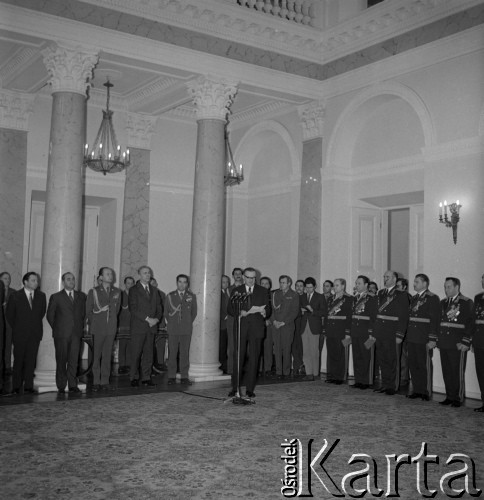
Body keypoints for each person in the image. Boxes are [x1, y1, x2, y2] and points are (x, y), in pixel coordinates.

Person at [227, 267, 271, 397]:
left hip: (256, 328)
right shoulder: (237, 291)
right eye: (249, 277)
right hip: (241, 326)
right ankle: (235, 388)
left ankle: (250, 389)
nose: (251, 280)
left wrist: (265, 312)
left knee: (254, 358)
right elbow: (229, 309)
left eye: (253, 278)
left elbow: (269, 309)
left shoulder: (262, 291)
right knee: (238, 357)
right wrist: (239, 312)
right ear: (243, 277)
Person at [6, 272, 46, 395]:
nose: (36, 283)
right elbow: (10, 315)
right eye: (33, 280)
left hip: (35, 333)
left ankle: (29, 386)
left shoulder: (41, 295)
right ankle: (17, 386)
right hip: (20, 334)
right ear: (25, 282)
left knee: (31, 360)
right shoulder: (15, 296)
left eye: (37, 280)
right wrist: (20, 327)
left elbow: (41, 313)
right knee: (18, 361)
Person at [46, 272, 87, 394]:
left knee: (74, 360)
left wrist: (79, 327)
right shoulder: (56, 296)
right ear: (63, 282)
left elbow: (83, 314)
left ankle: (73, 384)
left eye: (73, 279)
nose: (72, 281)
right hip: (61, 334)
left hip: (76, 334)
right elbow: (50, 315)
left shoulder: (81, 296)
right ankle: (61, 385)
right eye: (68, 279)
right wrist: (58, 328)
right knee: (61, 360)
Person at [437, 277, 473, 408]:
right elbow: (439, 323)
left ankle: (458, 397)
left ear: (457, 287)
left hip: (457, 342)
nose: (446, 290)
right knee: (446, 370)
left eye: (449, 287)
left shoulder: (465, 302)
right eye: (445, 287)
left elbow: (470, 323)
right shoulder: (443, 302)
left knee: (456, 371)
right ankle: (449, 396)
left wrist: (465, 341)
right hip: (444, 342)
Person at [372, 270, 409, 395]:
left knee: (392, 359)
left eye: (387, 277)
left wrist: (400, 334)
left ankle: (393, 386)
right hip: (380, 331)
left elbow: (403, 316)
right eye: (384, 277)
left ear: (394, 279)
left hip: (392, 331)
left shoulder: (400, 294)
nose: (385, 279)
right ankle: (385, 384)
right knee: (382, 359)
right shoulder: (381, 292)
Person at [405, 273, 440, 402]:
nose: (414, 284)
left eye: (417, 282)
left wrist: (432, 338)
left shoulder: (432, 298)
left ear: (425, 283)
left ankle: (426, 391)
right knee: (413, 364)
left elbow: (434, 320)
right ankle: (417, 390)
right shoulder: (413, 298)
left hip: (423, 337)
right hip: (412, 336)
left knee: (424, 364)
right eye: (414, 281)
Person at [86, 267, 121, 391]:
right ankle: (96, 381)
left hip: (111, 328)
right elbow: (89, 311)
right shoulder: (94, 291)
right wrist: (96, 323)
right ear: (101, 277)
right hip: (98, 328)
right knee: (96, 356)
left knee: (107, 356)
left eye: (111, 274)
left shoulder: (117, 291)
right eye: (107, 274)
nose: (110, 276)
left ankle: (105, 380)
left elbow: (116, 311)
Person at [129, 266, 162, 387]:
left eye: (149, 273)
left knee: (149, 354)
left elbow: (159, 308)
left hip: (151, 327)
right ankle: (134, 377)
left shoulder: (154, 290)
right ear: (139, 275)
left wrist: (157, 319)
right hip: (139, 326)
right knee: (136, 353)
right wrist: (148, 319)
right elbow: (133, 308)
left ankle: (146, 377)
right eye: (145, 273)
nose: (147, 275)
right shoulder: (134, 290)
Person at [164, 274, 197, 385]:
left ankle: (184, 376)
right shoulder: (170, 296)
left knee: (184, 353)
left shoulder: (191, 296)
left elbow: (193, 313)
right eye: (180, 282)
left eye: (184, 282)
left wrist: (186, 322)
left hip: (186, 329)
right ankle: (171, 376)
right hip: (173, 328)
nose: (182, 284)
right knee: (172, 353)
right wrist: (173, 323)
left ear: (187, 284)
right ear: (177, 283)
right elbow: (166, 313)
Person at [350, 275, 377, 390]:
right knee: (357, 356)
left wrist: (372, 332)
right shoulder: (355, 298)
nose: (356, 285)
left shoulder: (372, 298)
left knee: (366, 356)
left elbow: (373, 317)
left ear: (366, 285)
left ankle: (366, 381)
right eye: (356, 283)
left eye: (359, 283)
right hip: (356, 330)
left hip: (366, 331)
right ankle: (358, 379)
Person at [325, 278, 353, 385]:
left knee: (341, 354)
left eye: (337, 285)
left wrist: (347, 333)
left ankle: (340, 377)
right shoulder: (330, 298)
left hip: (341, 331)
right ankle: (332, 375)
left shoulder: (348, 299)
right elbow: (327, 315)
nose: (334, 287)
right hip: (330, 330)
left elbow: (349, 317)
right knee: (331, 353)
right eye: (334, 285)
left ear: (343, 286)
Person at [271, 275, 300, 379]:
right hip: (275, 326)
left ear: (289, 283)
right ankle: (279, 372)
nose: (281, 284)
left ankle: (286, 372)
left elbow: (294, 312)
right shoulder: (275, 294)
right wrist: (274, 321)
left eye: (284, 282)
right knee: (277, 349)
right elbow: (271, 310)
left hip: (287, 326)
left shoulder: (294, 295)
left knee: (287, 349)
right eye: (280, 282)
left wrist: (283, 322)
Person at [300, 277, 327, 381]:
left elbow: (324, 312)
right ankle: (308, 373)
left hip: (314, 326)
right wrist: (301, 311)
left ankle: (316, 373)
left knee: (314, 351)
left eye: (310, 287)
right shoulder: (302, 296)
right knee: (306, 351)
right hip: (304, 326)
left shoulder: (320, 297)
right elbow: (298, 310)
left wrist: (312, 310)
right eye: (306, 287)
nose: (308, 289)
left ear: (315, 286)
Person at [226, 267, 244, 375]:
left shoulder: (246, 288)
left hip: (244, 318)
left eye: (239, 273)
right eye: (235, 274)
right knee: (232, 346)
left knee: (242, 346)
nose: (238, 275)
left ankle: (240, 369)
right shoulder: (229, 289)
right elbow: (225, 305)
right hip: (232, 319)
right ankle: (231, 369)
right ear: (233, 276)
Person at [117, 276, 135, 375]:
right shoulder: (120, 295)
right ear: (125, 284)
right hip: (123, 323)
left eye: (132, 283)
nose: (130, 285)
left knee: (130, 345)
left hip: (132, 324)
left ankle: (128, 364)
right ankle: (121, 365)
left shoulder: (135, 295)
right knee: (122, 345)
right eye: (128, 283)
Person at [1, 271, 15, 376]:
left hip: (9, 323)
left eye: (9, 278)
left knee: (8, 345)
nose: (8, 280)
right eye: (5, 278)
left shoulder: (13, 292)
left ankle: (7, 366)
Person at [473, 273, 484, 412]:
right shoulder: (478, 297)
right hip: (479, 340)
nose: (482, 281)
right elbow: (473, 320)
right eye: (482, 279)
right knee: (481, 372)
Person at [260, 276, 274, 375]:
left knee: (268, 347)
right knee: (258, 347)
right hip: (258, 324)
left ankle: (268, 368)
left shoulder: (273, 295)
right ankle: (259, 368)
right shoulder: (255, 295)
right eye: (263, 283)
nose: (265, 285)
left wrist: (269, 319)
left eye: (266, 283)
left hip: (269, 324)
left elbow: (275, 310)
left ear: (269, 285)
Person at [292, 279, 306, 376]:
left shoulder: (306, 297)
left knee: (301, 345)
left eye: (301, 286)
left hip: (303, 323)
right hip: (293, 323)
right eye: (297, 285)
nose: (299, 288)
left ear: (304, 288)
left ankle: (301, 365)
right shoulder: (292, 296)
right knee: (293, 345)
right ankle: (297, 366)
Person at [219, 275, 231, 374]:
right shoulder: (218, 294)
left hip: (229, 324)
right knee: (222, 347)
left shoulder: (228, 292)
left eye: (227, 282)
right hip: (222, 323)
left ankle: (227, 365)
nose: (226, 284)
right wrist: (225, 316)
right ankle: (222, 366)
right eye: (223, 282)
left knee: (227, 346)